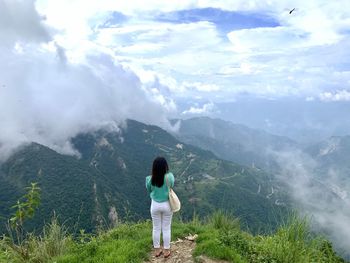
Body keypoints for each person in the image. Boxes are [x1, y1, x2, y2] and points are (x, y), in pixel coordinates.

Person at [145, 156, 175, 258]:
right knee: (166, 228)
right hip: (167, 204)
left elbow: (149, 190)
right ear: (165, 166)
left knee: (156, 228)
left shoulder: (149, 179)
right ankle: (166, 251)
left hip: (155, 205)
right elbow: (172, 185)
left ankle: (157, 251)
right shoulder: (169, 177)